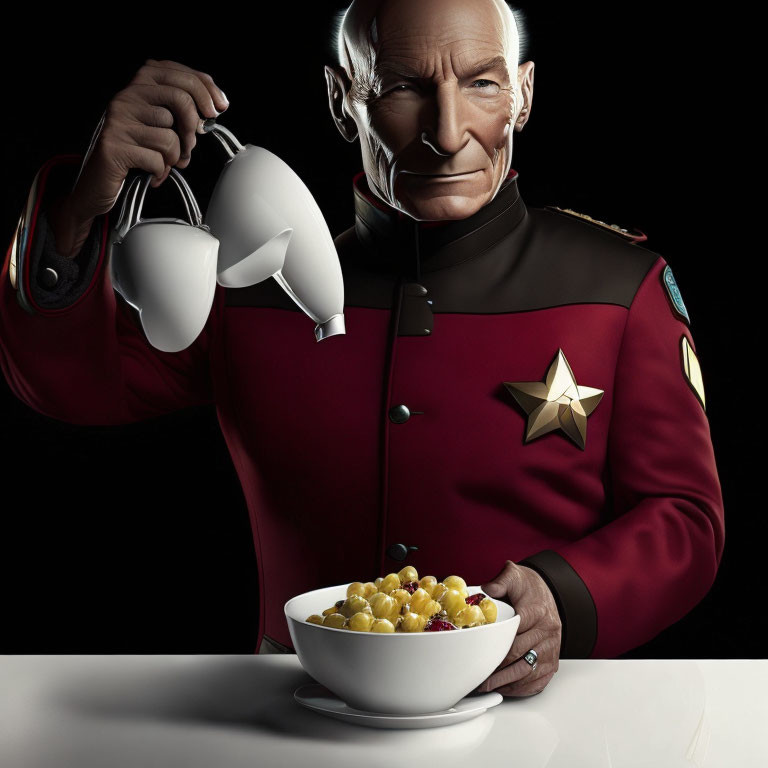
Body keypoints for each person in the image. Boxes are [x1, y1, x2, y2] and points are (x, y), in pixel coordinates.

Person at [0, 0, 724, 699]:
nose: (447, 132)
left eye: (480, 83)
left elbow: (685, 518)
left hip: (540, 727)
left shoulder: (623, 285)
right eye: (404, 87)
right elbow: (69, 388)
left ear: (523, 95)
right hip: (287, 728)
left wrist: (566, 597)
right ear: (342, 99)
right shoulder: (244, 285)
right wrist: (79, 209)